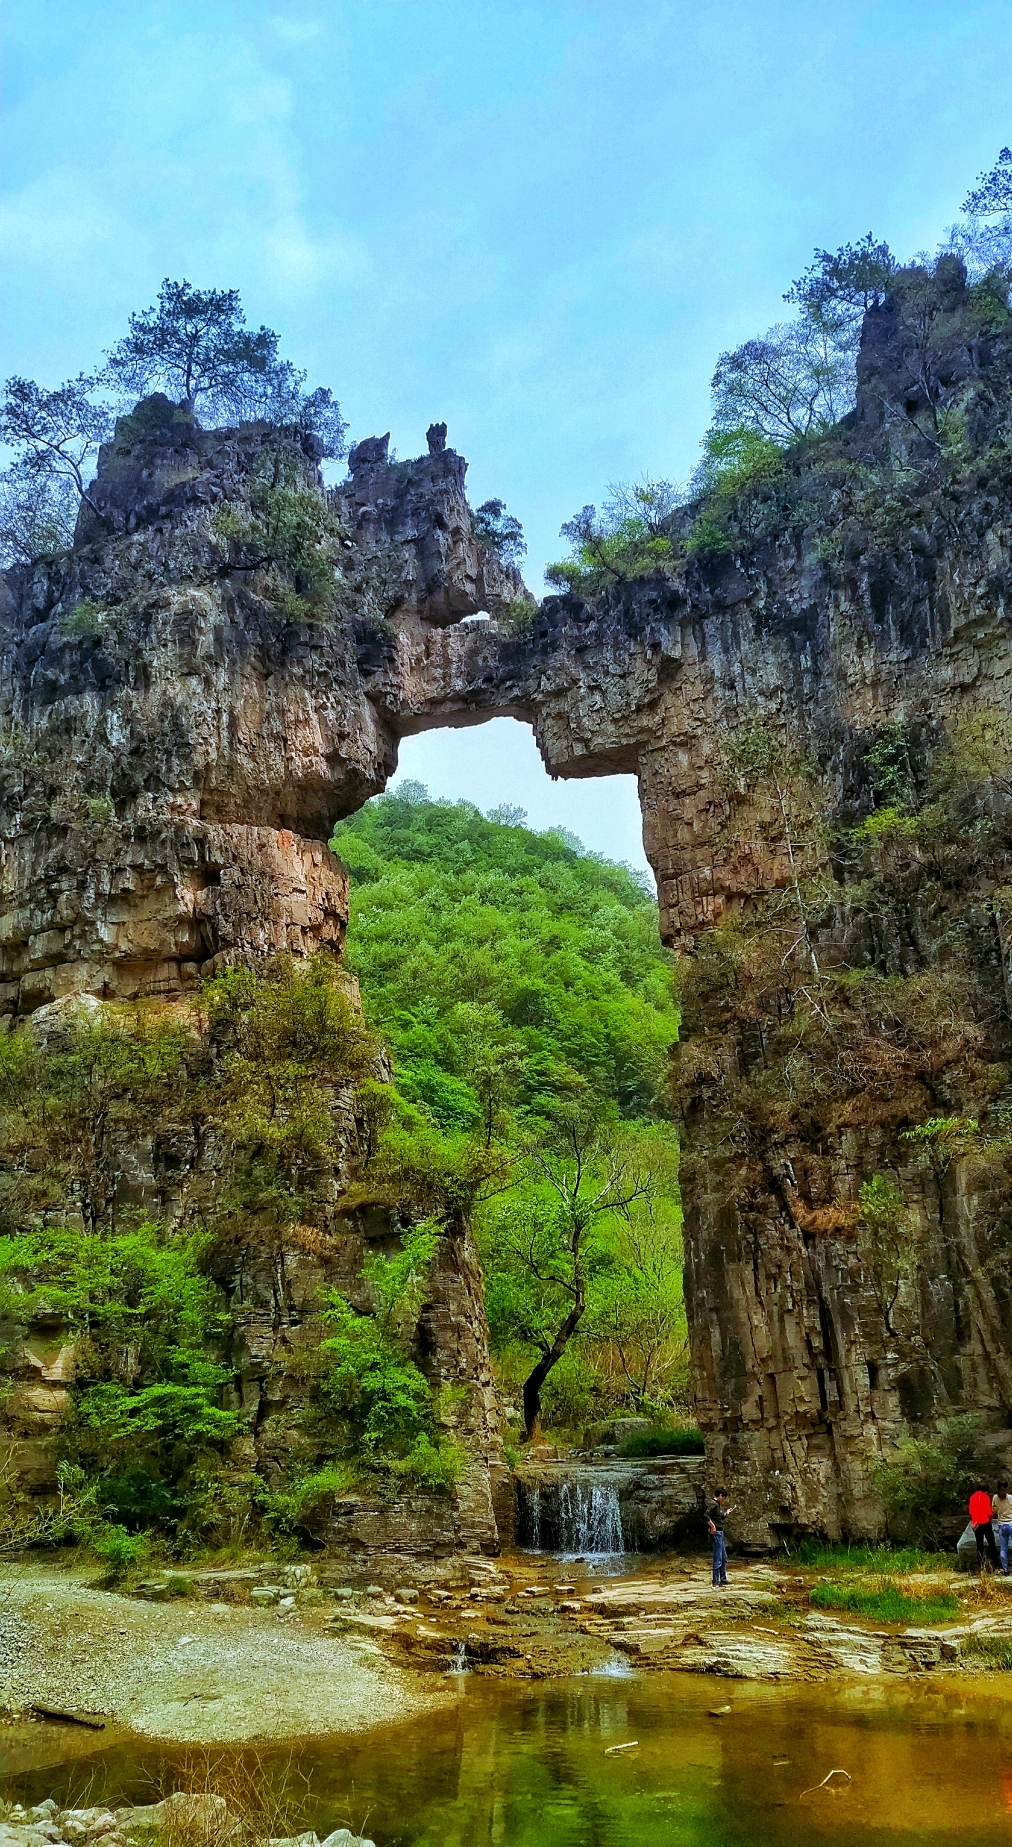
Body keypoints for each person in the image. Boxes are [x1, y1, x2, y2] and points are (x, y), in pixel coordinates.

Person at [970, 1483, 999, 1572]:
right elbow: (989, 1512)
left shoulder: (972, 1497)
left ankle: (981, 1565)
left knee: (979, 1545)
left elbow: (971, 1511)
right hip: (985, 1522)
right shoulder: (985, 1497)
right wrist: (991, 1517)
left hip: (976, 1524)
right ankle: (996, 1565)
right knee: (991, 1543)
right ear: (986, 1490)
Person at [707, 1488, 734, 1587]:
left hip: (720, 1533)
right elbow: (705, 1516)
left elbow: (718, 1519)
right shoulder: (713, 1504)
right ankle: (716, 1581)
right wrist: (712, 1526)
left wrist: (725, 1514)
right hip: (717, 1533)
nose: (724, 1500)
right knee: (718, 1557)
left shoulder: (717, 1505)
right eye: (724, 1498)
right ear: (721, 1495)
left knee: (723, 1557)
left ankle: (723, 1579)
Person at [993, 1480, 1012, 1576]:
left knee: (1003, 1549)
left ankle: (1005, 1570)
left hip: (1001, 1525)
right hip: (1011, 1524)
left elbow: (994, 1510)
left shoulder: (995, 1498)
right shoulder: (1011, 1498)